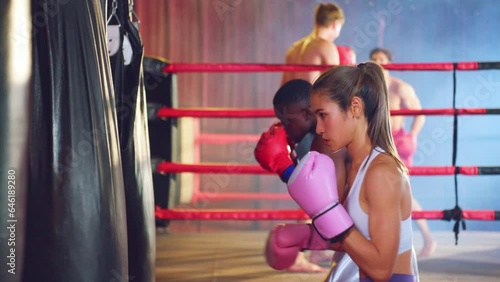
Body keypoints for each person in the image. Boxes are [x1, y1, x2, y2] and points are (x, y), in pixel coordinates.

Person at [302, 62, 417, 281]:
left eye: (323, 115)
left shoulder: (381, 173)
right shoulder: (356, 165)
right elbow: (353, 238)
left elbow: (381, 270)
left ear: (355, 107)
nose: (318, 128)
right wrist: (298, 236)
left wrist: (329, 211)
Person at [254, 79, 347, 273]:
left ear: (306, 114)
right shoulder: (310, 140)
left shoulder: (325, 140)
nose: (283, 127)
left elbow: (329, 203)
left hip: (358, 231)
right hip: (350, 230)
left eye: (287, 121)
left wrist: (284, 168)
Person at [370, 47, 436, 257]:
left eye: (381, 58)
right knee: (376, 192)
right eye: (374, 59)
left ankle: (427, 238)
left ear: (390, 61)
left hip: (398, 141)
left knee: (402, 192)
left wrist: (412, 136)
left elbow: (420, 113)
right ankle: (385, 244)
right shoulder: (369, 88)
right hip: (376, 141)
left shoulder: (400, 87)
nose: (378, 62)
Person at [281, 3, 347, 85]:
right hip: (312, 97)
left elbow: (283, 87)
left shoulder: (294, 48)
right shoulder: (326, 47)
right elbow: (336, 86)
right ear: (335, 24)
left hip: (291, 97)